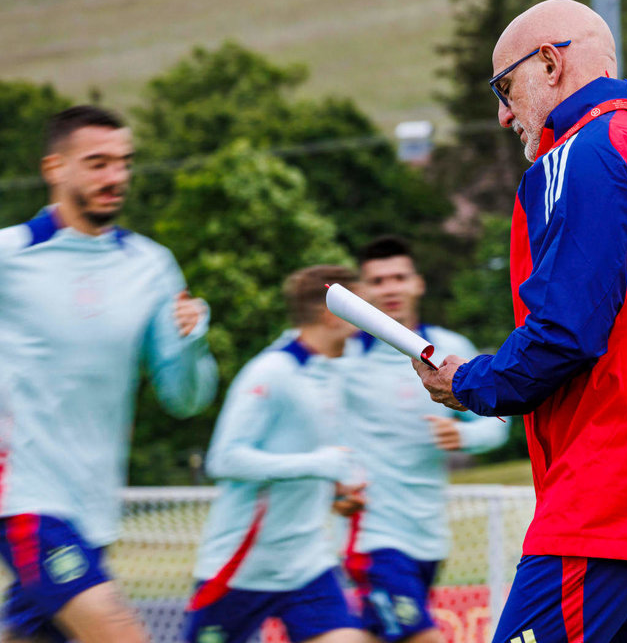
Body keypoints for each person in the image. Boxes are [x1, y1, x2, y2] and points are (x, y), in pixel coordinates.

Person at [413, 0, 627, 643]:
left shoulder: (579, 154)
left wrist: (469, 381)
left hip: (609, 495)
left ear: (550, 64)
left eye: (505, 88)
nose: (503, 115)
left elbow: (564, 331)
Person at [0, 105, 218, 643]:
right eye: (97, 163)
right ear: (55, 167)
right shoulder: (9, 256)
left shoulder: (151, 266)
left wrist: (193, 340)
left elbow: (185, 399)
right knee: (122, 635)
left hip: (95, 509)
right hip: (25, 499)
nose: (115, 177)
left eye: (123, 163)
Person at [185, 266, 366, 643]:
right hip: (241, 569)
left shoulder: (336, 371)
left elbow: (313, 459)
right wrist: (320, 464)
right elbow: (224, 459)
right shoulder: (270, 371)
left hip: (309, 565)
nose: (369, 316)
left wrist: (338, 492)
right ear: (330, 312)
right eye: (358, 305)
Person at [341, 235, 508, 643]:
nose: (391, 288)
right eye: (378, 281)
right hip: (372, 537)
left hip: (429, 536)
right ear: (362, 292)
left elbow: (499, 422)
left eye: (399, 277)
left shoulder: (453, 350)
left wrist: (464, 436)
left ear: (418, 283)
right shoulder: (340, 357)